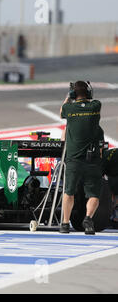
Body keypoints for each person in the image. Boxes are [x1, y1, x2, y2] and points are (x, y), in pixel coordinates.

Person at [59, 81, 103, 235]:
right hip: (92, 160)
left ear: (73, 94)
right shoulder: (96, 106)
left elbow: (61, 112)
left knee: (69, 192)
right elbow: (92, 102)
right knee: (94, 194)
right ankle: (88, 219)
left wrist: (68, 97)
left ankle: (65, 223)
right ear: (89, 93)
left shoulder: (69, 108)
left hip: (74, 160)